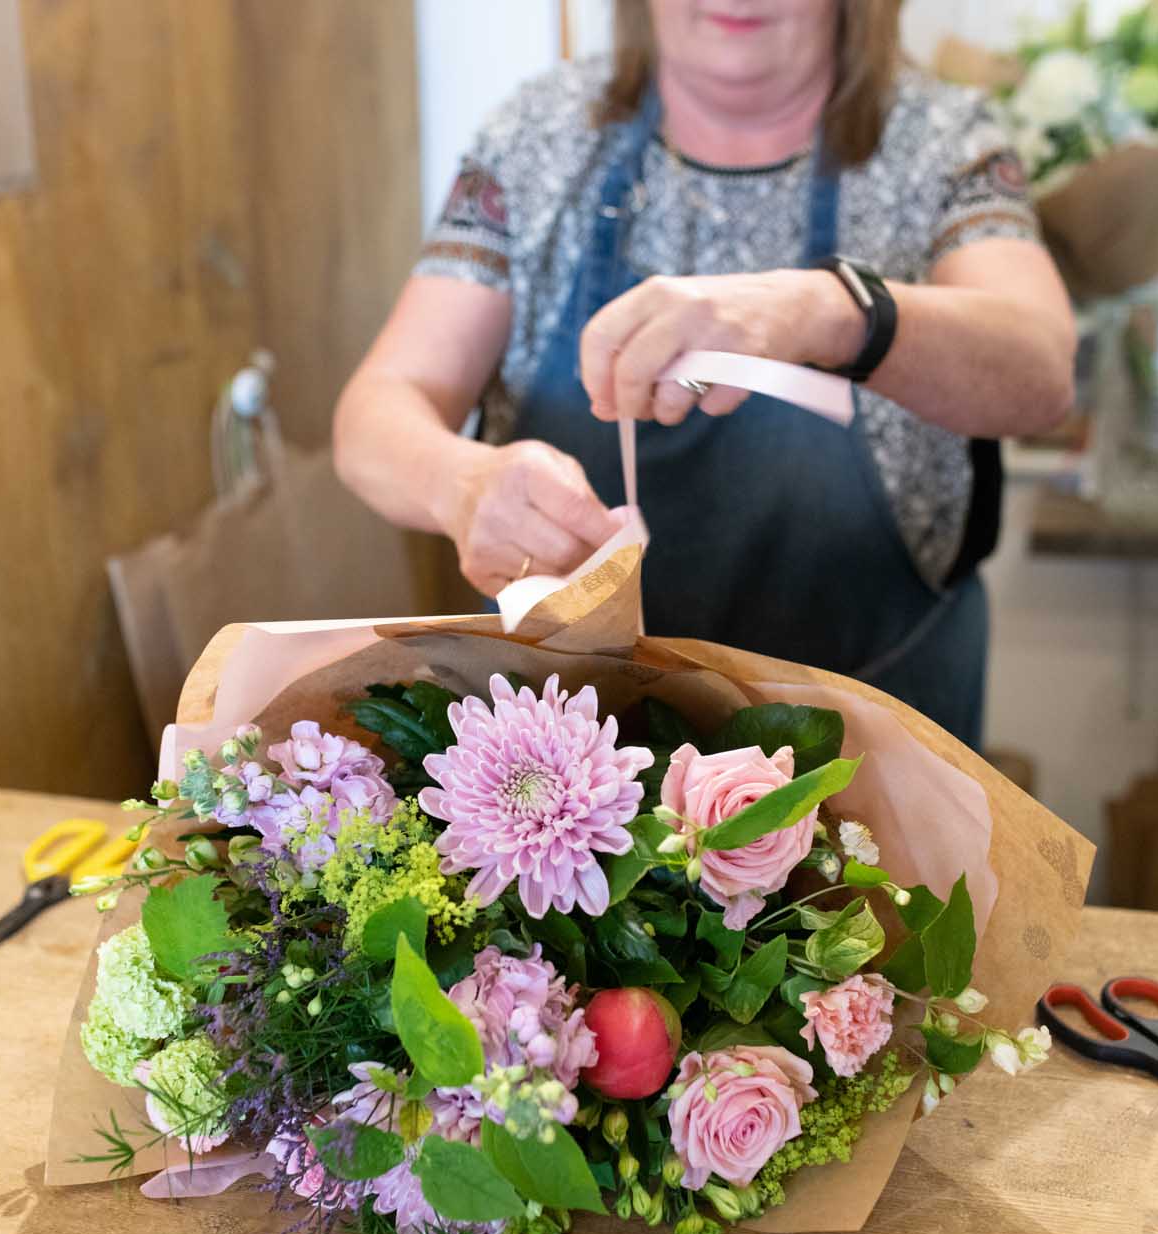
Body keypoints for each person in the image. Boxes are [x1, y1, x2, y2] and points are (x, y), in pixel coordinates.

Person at [334, 0, 1074, 749]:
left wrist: (833, 307)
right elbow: (375, 413)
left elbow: (1043, 371)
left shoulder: (942, 145)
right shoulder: (537, 137)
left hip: (874, 762)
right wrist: (460, 485)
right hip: (573, 772)